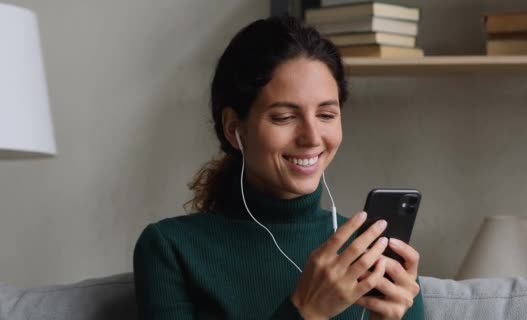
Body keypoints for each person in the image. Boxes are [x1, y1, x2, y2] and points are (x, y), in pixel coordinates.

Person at [133, 15, 424, 320]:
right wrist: (305, 312)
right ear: (234, 129)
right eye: (284, 117)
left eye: (326, 115)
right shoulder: (170, 249)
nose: (312, 137)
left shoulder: (376, 254)